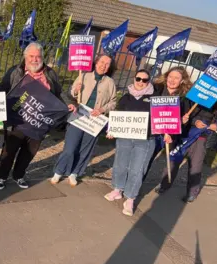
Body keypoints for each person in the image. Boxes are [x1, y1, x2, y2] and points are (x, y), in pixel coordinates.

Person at [0, 42, 77, 191]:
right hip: (17, 120)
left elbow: (59, 92)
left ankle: (19, 175)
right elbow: (3, 88)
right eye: (31, 56)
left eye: (38, 56)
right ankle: (2, 176)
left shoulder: (50, 73)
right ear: (25, 57)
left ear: (42, 58)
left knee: (29, 152)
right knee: (9, 150)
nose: (35, 59)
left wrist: (68, 103)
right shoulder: (16, 71)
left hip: (39, 122)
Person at [51, 53, 117, 186]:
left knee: (85, 149)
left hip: (95, 121)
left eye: (107, 64)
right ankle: (59, 171)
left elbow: (113, 102)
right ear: (96, 62)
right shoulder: (84, 76)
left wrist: (102, 109)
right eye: (101, 62)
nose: (103, 66)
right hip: (79, 116)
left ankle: (74, 173)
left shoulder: (110, 83)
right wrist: (76, 90)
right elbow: (71, 93)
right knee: (70, 147)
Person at [154, 90, 217, 203]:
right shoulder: (194, 93)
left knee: (196, 165)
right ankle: (164, 184)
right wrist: (195, 121)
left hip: (201, 137)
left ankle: (192, 192)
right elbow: (183, 112)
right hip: (184, 133)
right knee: (174, 160)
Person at [104, 70, 156, 216]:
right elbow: (118, 116)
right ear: (134, 79)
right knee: (120, 164)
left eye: (144, 80)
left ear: (148, 82)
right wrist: (111, 129)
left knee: (137, 170)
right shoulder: (125, 97)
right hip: (124, 137)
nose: (140, 82)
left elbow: (160, 118)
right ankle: (117, 189)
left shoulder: (154, 99)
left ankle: (130, 198)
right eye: (138, 79)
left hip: (145, 139)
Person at [142, 66, 193, 181]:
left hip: (166, 136)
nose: (172, 80)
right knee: (141, 158)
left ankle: (137, 185)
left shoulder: (184, 98)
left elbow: (180, 121)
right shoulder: (156, 89)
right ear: (166, 77)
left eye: (176, 78)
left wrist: (182, 121)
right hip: (149, 130)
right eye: (170, 76)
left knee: (148, 159)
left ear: (182, 81)